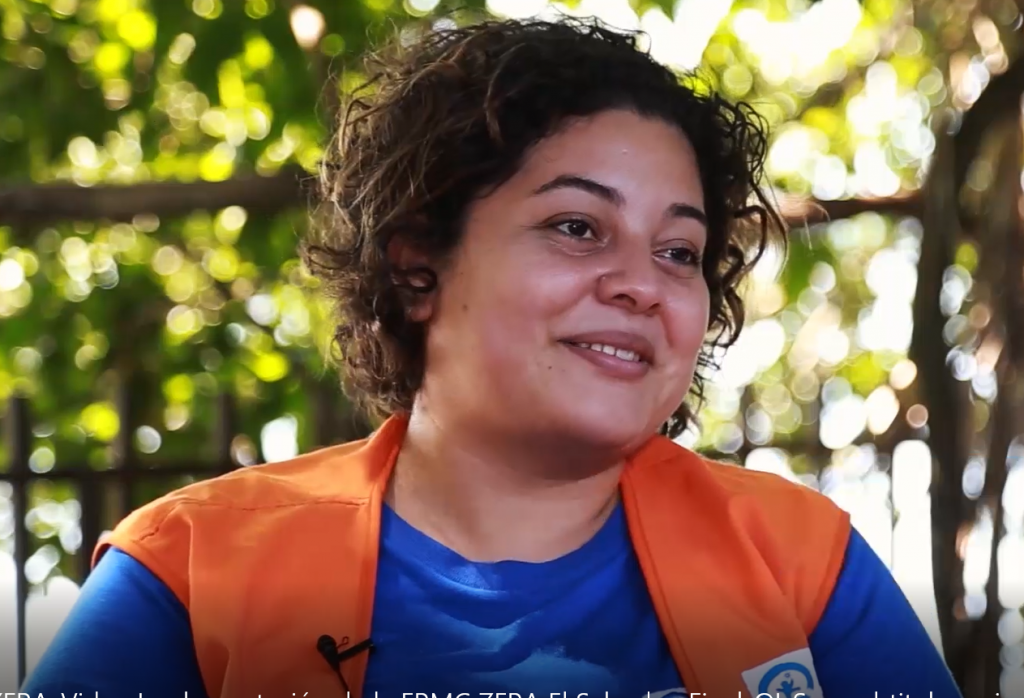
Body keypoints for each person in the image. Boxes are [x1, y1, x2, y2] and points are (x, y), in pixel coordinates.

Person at [22, 15, 961, 698]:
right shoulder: (191, 576)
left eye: (679, 250)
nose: (642, 281)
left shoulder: (800, 564)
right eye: (577, 226)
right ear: (418, 264)